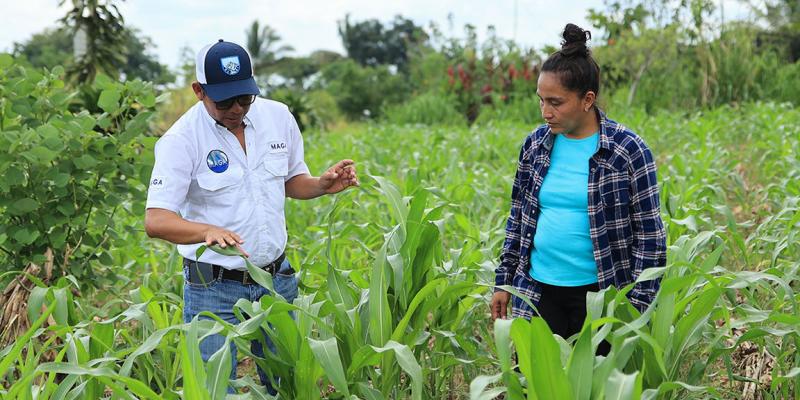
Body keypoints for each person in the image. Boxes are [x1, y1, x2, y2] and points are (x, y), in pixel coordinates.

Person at [144, 39, 358, 393]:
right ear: (199, 91)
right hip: (212, 288)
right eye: (224, 101)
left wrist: (320, 185)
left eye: (244, 98)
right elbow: (156, 220)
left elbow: (291, 181)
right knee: (215, 391)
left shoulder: (278, 117)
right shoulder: (180, 140)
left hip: (276, 281)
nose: (236, 109)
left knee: (287, 386)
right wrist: (206, 230)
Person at [489, 24, 666, 351]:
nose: (546, 112)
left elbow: (650, 235)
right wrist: (504, 281)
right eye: (541, 101)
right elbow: (518, 218)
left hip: (601, 297)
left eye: (556, 102)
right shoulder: (535, 146)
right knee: (536, 376)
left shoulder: (627, 151)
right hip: (538, 292)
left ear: (587, 99)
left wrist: (637, 306)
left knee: (596, 377)